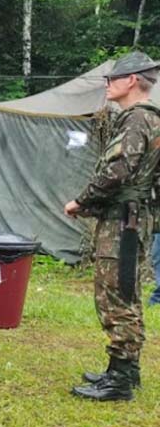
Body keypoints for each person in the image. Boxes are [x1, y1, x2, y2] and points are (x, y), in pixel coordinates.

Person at [65, 51, 160, 401]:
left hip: (123, 221)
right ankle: (124, 371)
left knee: (115, 296)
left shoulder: (136, 119)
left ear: (132, 80)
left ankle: (119, 382)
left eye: (112, 79)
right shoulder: (152, 119)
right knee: (127, 292)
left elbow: (117, 171)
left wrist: (82, 202)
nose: (107, 84)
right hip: (134, 218)